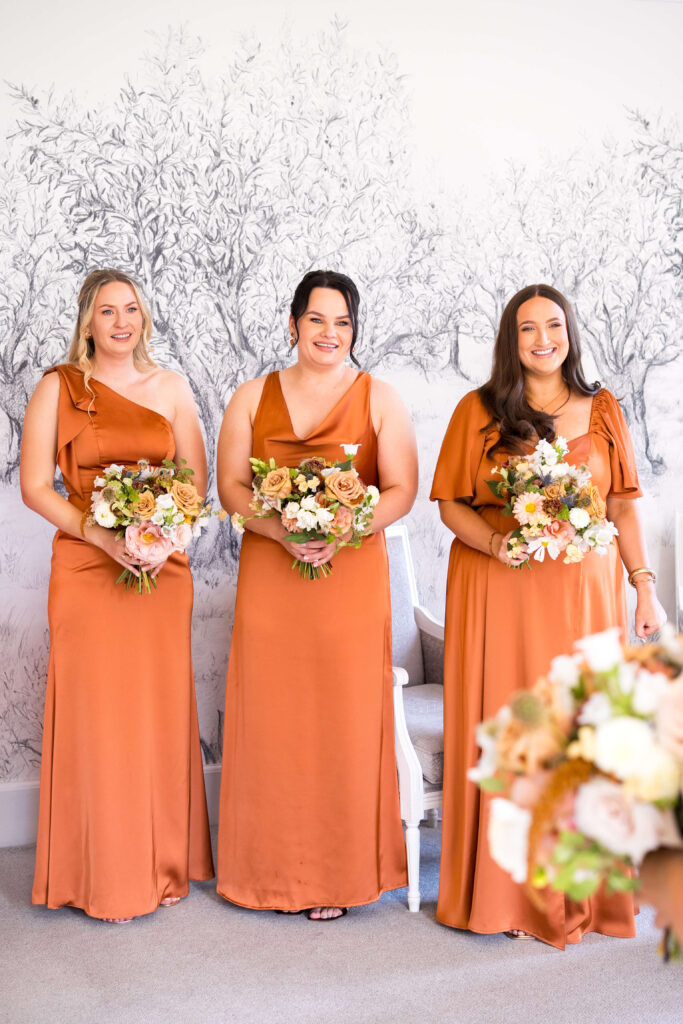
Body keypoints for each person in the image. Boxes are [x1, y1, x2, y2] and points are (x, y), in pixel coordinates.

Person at [430, 283, 666, 948]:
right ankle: (504, 895)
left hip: (583, 596)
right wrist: (497, 540)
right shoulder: (476, 409)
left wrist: (642, 586)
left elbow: (620, 506)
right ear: (510, 339)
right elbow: (450, 504)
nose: (541, 339)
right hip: (497, 590)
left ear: (569, 332)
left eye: (552, 325)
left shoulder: (603, 407)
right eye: (527, 328)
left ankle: (580, 890)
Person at [215, 269, 417, 919]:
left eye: (342, 322)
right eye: (317, 320)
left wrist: (344, 526)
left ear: (353, 330)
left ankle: (334, 878)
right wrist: (280, 530)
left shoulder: (378, 397)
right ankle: (266, 872)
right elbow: (231, 489)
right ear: (293, 323)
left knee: (341, 722)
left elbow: (400, 489)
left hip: (349, 580)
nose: (329, 333)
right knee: (273, 720)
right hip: (273, 580)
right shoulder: (251, 396)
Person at [21, 268, 214, 923]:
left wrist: (161, 539)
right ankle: (99, 876)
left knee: (152, 715)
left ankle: (160, 867)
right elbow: (36, 487)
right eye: (108, 311)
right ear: (88, 322)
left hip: (161, 571)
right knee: (98, 716)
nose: (121, 322)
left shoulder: (171, 388)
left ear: (143, 317)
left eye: (131, 309)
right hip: (85, 564)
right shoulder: (58, 387)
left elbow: (193, 483)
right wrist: (102, 540)